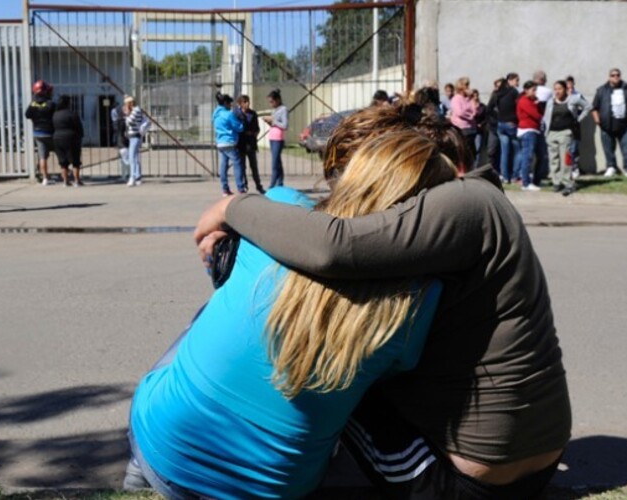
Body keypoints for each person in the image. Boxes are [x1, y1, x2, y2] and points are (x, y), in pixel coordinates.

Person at [194, 102, 570, 499]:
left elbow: (334, 246)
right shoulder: (473, 206)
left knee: (331, 363)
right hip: (529, 464)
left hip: (460, 483)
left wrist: (233, 206)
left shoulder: (466, 203)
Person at [125, 130, 453, 498]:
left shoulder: (280, 205)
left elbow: (219, 270)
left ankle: (137, 466)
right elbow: (397, 372)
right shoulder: (420, 301)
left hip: (163, 455)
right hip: (276, 490)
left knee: (208, 315)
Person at [542, 80, 592, 196]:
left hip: (565, 133)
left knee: (566, 159)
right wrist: (545, 131)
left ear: (565, 89)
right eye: (555, 89)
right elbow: (546, 117)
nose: (557, 91)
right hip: (551, 133)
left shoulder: (573, 99)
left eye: (559, 89)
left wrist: (578, 120)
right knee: (553, 159)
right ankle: (556, 182)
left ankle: (568, 184)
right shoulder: (550, 102)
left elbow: (588, 107)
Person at [592, 68, 627, 178]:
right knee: (608, 149)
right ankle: (611, 167)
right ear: (609, 77)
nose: (615, 77)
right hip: (606, 126)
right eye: (613, 75)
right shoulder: (602, 90)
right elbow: (594, 107)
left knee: (626, 150)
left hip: (624, 126)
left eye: (617, 75)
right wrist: (597, 120)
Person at [213, 92, 246, 196]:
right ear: (226, 103)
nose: (230, 106)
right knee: (237, 164)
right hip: (230, 142)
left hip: (220, 142)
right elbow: (239, 127)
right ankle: (240, 188)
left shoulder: (215, 114)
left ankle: (225, 189)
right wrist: (242, 123)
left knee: (223, 166)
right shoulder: (228, 114)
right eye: (229, 104)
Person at [25, 80, 56, 186]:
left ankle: (45, 179)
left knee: (42, 157)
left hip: (38, 133)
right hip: (51, 133)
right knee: (61, 153)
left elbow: (27, 115)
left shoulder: (33, 104)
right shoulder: (50, 103)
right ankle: (66, 176)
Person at [517, 81, 545, 191]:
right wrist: (536, 104)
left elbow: (540, 113)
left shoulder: (532, 101)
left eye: (535, 90)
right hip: (527, 130)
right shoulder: (524, 101)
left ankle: (535, 181)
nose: (535, 92)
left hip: (535, 130)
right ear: (526, 90)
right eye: (533, 90)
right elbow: (536, 115)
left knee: (540, 156)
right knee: (527, 157)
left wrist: (537, 104)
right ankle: (526, 183)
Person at [234, 94, 266, 194]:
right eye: (245, 102)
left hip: (251, 144)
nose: (247, 104)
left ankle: (258, 185)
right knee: (242, 166)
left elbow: (257, 128)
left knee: (254, 166)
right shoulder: (236, 114)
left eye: (248, 101)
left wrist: (254, 133)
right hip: (241, 144)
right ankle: (244, 185)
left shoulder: (252, 114)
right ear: (240, 103)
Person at [494, 73, 522, 183]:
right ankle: (515, 175)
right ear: (510, 80)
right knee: (518, 150)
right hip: (511, 124)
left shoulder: (500, 92)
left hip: (500, 124)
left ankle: (505, 177)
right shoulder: (514, 92)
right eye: (516, 80)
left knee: (504, 152)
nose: (518, 83)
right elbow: (518, 108)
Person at [52, 95, 84, 187]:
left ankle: (65, 181)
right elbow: (79, 127)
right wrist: (80, 136)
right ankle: (77, 181)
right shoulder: (72, 114)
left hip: (57, 138)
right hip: (71, 138)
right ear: (68, 103)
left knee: (63, 161)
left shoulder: (55, 115)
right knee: (75, 160)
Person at [450, 77, 478, 168]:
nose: (468, 88)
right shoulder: (456, 99)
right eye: (466, 85)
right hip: (461, 127)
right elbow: (459, 112)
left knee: (472, 151)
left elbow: (474, 110)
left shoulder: (469, 98)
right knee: (463, 151)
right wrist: (469, 115)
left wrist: (472, 98)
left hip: (471, 127)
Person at [262, 89, 288, 188]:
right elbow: (275, 123)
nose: (271, 104)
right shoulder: (275, 110)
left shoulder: (283, 109)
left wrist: (273, 120)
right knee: (277, 161)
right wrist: (269, 122)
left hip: (278, 138)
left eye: (272, 102)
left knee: (274, 162)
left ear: (277, 100)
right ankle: (280, 183)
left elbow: (285, 125)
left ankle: (272, 185)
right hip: (272, 137)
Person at [123, 95, 145, 187]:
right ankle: (137, 177)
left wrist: (126, 114)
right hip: (133, 136)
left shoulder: (136, 110)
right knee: (135, 157)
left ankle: (132, 177)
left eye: (126, 104)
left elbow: (129, 121)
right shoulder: (135, 110)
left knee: (132, 157)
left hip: (135, 136)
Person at [111, 100, 130, 181]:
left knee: (124, 159)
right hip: (126, 141)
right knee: (124, 159)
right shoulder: (127, 120)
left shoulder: (119, 122)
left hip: (121, 141)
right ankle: (126, 175)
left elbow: (116, 131)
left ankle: (127, 175)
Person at [471, 89, 487, 167]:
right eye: (473, 96)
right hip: (470, 129)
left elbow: (486, 117)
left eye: (476, 95)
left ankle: (476, 166)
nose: (475, 97)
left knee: (477, 149)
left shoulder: (482, 106)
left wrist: (481, 124)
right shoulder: (468, 106)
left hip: (478, 130)